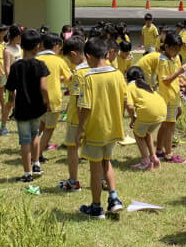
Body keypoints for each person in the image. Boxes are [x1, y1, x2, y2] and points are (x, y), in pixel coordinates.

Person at [76, 37, 127, 219]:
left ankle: (96, 207)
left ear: (89, 56)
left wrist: (80, 129)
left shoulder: (88, 77)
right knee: (107, 162)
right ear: (106, 54)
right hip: (113, 128)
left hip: (96, 129)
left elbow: (85, 107)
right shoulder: (118, 74)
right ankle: (114, 198)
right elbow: (125, 99)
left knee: (95, 168)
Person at [4, 29, 50, 183]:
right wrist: (47, 102)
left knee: (24, 141)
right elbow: (43, 87)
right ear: (37, 47)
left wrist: (11, 104)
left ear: (21, 46)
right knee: (35, 135)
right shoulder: (40, 65)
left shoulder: (16, 66)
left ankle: (27, 173)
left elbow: (10, 90)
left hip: (22, 108)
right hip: (37, 107)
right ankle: (36, 164)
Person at [139, 32, 186, 163]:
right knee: (170, 126)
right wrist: (179, 72)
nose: (176, 53)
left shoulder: (175, 58)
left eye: (178, 50)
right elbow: (166, 81)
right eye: (174, 49)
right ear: (166, 47)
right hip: (168, 97)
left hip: (174, 95)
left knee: (166, 125)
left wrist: (182, 81)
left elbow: (177, 75)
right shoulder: (163, 61)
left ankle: (159, 150)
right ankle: (169, 154)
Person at [58, 36, 87, 192]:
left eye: (70, 58)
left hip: (77, 118)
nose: (70, 61)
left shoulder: (79, 73)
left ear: (74, 53)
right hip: (95, 117)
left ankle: (73, 181)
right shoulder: (96, 69)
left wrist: (80, 125)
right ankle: (103, 179)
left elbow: (77, 100)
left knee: (72, 148)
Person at [124, 65, 166, 172]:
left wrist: (133, 118)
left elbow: (129, 106)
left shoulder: (130, 86)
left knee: (137, 133)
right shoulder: (146, 85)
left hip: (149, 112)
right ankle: (154, 158)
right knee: (147, 132)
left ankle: (145, 161)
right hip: (162, 111)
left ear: (127, 77)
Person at [36, 32, 70, 155]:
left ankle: (33, 148)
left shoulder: (35, 59)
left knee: (41, 124)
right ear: (56, 46)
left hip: (36, 98)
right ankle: (37, 155)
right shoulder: (58, 61)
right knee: (49, 129)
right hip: (52, 100)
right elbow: (69, 78)